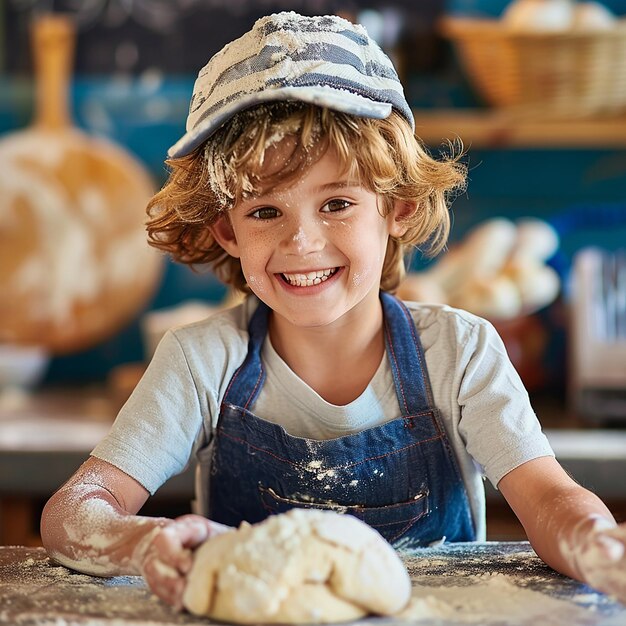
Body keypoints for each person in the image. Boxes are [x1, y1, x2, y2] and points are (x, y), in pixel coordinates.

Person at [41, 10, 625, 611]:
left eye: (337, 203)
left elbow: (550, 499)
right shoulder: (201, 362)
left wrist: (596, 542)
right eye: (265, 212)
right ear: (227, 231)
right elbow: (73, 513)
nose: (301, 242)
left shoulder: (458, 352)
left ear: (396, 207)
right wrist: (144, 543)